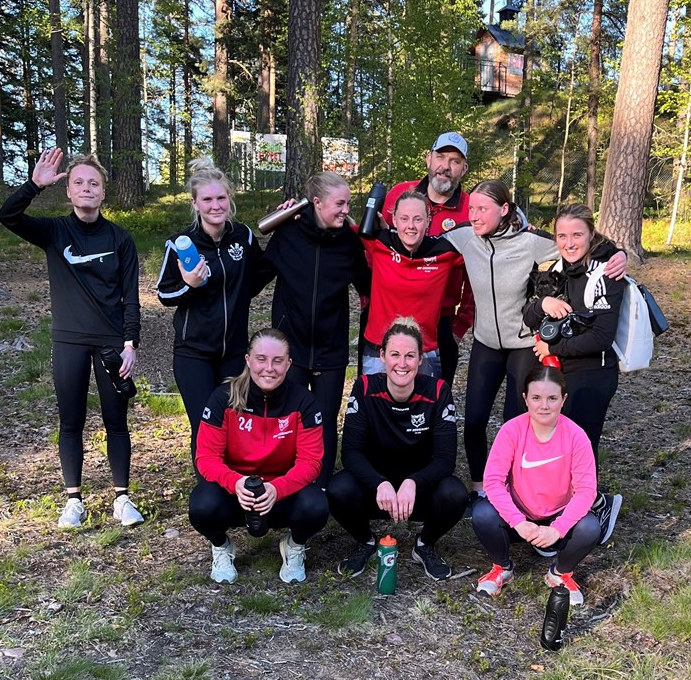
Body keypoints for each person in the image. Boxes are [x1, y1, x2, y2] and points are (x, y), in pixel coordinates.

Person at [442, 181, 627, 512]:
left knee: (525, 424)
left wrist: (618, 253)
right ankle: (485, 490)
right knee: (477, 422)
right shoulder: (466, 236)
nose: (474, 215)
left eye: (483, 209)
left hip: (532, 348)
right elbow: (423, 241)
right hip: (492, 344)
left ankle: (532, 494)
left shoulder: (535, 243)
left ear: (504, 209)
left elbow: (582, 244)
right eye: (471, 208)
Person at [0, 148, 143, 529]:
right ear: (68, 191)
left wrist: (130, 345)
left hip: (112, 342)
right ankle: (73, 501)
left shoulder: (120, 238)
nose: (86, 188)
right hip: (69, 341)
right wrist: (33, 185)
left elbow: (131, 298)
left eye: (93, 183)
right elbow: (7, 216)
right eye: (78, 182)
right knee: (71, 421)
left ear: (103, 192)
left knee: (116, 421)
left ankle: (122, 498)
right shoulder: (54, 232)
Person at [327, 317, 468, 581]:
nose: (402, 364)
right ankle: (366, 541)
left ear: (420, 359)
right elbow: (351, 453)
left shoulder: (438, 391)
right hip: (377, 490)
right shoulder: (365, 387)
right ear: (382, 356)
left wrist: (414, 482)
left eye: (410, 356)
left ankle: (424, 544)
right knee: (338, 488)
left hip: (416, 493)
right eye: (395, 354)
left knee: (456, 494)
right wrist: (378, 482)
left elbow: (446, 459)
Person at [256, 172, 371, 488]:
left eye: (348, 203)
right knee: (287, 420)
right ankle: (283, 486)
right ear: (317, 202)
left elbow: (370, 286)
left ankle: (320, 488)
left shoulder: (348, 241)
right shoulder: (288, 233)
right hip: (290, 348)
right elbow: (253, 279)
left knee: (324, 422)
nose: (346, 210)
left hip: (330, 349)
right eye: (340, 204)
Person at [189, 329, 328, 584]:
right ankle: (221, 546)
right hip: (236, 491)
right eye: (261, 359)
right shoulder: (223, 398)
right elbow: (206, 458)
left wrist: (277, 488)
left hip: (281, 492)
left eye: (278, 361)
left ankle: (294, 546)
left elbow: (311, 462)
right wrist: (235, 483)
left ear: (289, 364)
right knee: (201, 506)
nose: (269, 368)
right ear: (248, 360)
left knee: (316, 506)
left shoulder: (304, 402)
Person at [523, 203, 626, 541]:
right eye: (562, 236)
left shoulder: (606, 272)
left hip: (593, 372)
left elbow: (601, 337)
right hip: (558, 373)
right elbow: (529, 317)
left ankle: (595, 508)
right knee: (557, 445)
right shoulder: (555, 269)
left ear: (591, 235)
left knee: (579, 447)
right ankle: (567, 513)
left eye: (577, 235)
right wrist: (543, 304)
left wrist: (554, 349)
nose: (569, 243)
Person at [155, 158, 265, 476]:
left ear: (230, 199)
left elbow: (260, 273)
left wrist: (287, 225)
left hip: (234, 351)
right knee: (205, 423)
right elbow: (164, 294)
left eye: (221, 198)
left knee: (235, 422)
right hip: (194, 353)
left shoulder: (243, 237)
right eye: (207, 199)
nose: (215, 206)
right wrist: (189, 285)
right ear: (195, 203)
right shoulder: (180, 244)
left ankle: (237, 487)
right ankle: (209, 488)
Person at [472, 366, 601, 603]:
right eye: (536, 398)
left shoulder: (576, 436)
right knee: (482, 514)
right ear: (525, 399)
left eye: (552, 398)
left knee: (590, 528)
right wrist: (518, 522)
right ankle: (502, 567)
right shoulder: (511, 430)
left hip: (558, 516)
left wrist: (558, 529)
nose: (544, 406)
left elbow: (586, 491)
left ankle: (560, 573)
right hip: (518, 516)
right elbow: (492, 481)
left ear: (563, 400)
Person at [381, 132, 474, 384]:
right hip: (389, 314)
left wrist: (458, 327)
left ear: (464, 169)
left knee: (434, 398)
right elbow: (372, 250)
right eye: (440, 157)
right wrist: (369, 303)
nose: (445, 166)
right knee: (382, 396)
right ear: (428, 159)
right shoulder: (399, 194)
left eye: (455, 161)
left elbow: (477, 273)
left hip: (439, 321)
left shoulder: (470, 209)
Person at [360, 190, 471, 379]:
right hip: (378, 349)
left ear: (428, 221)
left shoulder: (444, 252)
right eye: (404, 219)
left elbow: (483, 241)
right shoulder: (379, 243)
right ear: (394, 220)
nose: (410, 226)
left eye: (418, 219)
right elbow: (336, 224)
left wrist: (518, 225)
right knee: (374, 398)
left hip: (423, 351)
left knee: (427, 399)